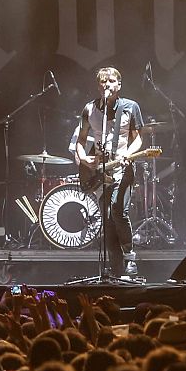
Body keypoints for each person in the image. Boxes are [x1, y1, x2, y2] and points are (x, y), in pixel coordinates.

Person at [72, 67, 144, 282]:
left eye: (112, 81)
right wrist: (84, 159)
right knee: (107, 218)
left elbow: (138, 139)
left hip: (123, 167)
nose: (107, 85)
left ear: (119, 85)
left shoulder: (131, 107)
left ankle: (131, 257)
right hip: (101, 171)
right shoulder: (89, 110)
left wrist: (128, 154)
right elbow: (81, 141)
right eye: (103, 82)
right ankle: (115, 267)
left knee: (118, 210)